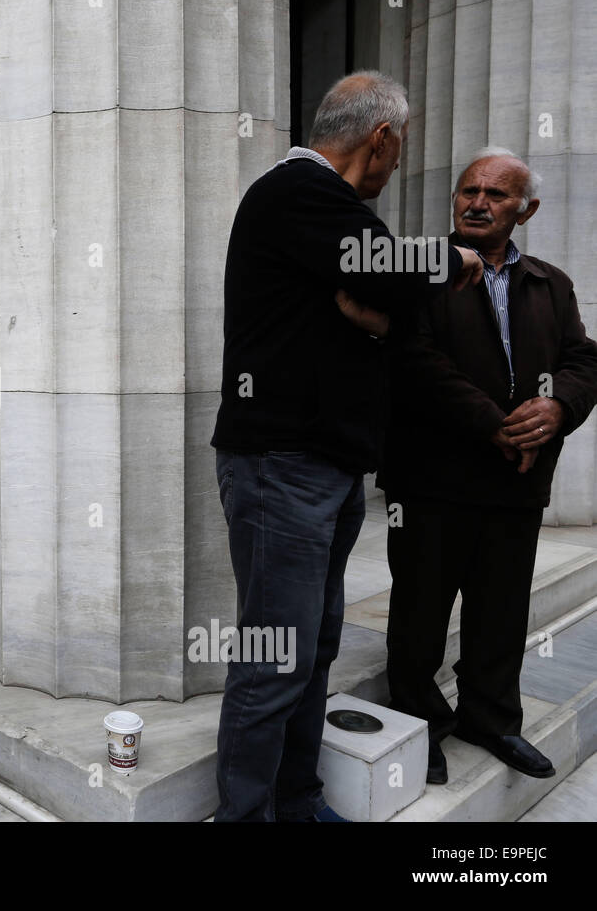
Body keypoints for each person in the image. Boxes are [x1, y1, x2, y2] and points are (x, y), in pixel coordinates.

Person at [209, 70, 483, 821]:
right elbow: (390, 273)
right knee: (275, 661)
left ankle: (297, 801)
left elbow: (384, 304)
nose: (397, 167)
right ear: (382, 138)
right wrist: (456, 259)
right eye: (401, 150)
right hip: (281, 468)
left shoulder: (326, 214)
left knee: (315, 650)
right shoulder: (299, 191)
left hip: (321, 468)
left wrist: (381, 319)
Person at [380, 148, 597, 784]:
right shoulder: (422, 267)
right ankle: (419, 723)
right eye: (468, 190)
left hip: (517, 480)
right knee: (420, 611)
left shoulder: (551, 283)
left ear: (525, 210)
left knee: (501, 610)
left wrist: (556, 407)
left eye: (496, 195)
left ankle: (493, 719)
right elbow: (412, 359)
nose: (477, 202)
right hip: (431, 479)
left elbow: (583, 360)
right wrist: (493, 422)